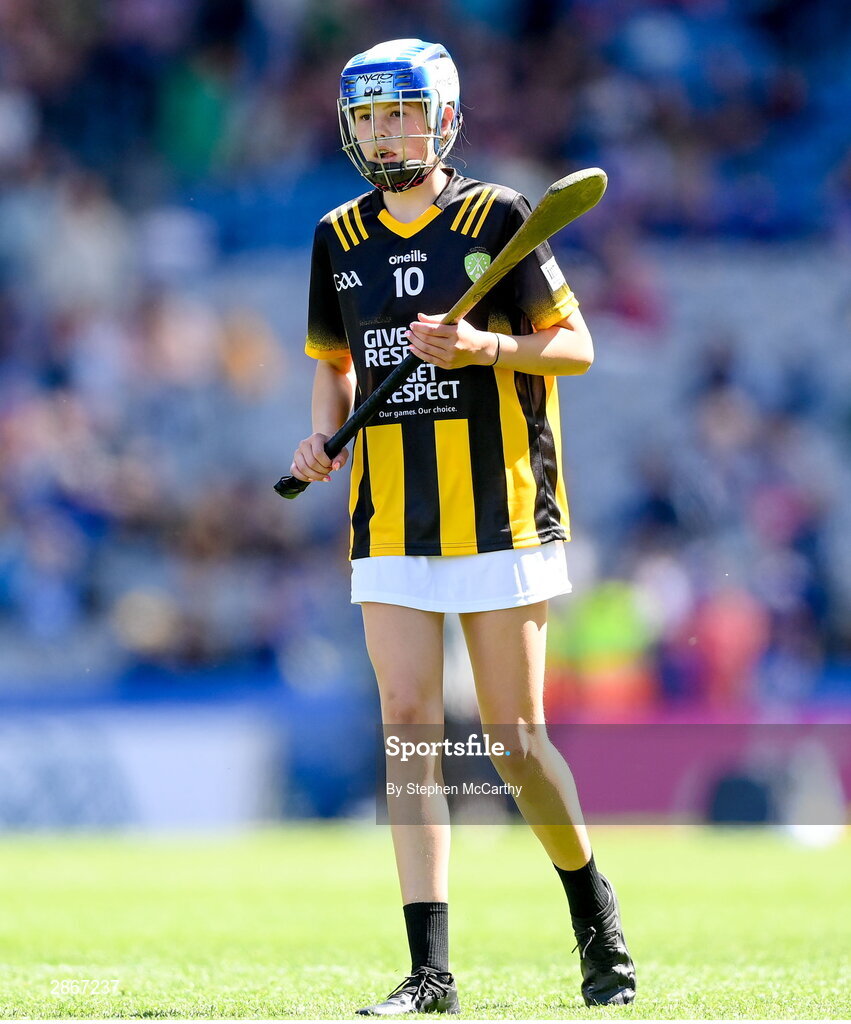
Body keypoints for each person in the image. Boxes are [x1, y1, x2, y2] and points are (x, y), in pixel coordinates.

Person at [289, 38, 636, 1016]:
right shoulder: (335, 237)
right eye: (367, 116)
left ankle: (590, 909)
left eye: (401, 112)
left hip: (501, 516)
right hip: (390, 522)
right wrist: (323, 435)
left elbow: (575, 347)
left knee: (514, 741)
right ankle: (429, 972)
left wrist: (483, 345)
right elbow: (334, 361)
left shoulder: (499, 218)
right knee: (407, 729)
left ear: (440, 117)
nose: (383, 132)